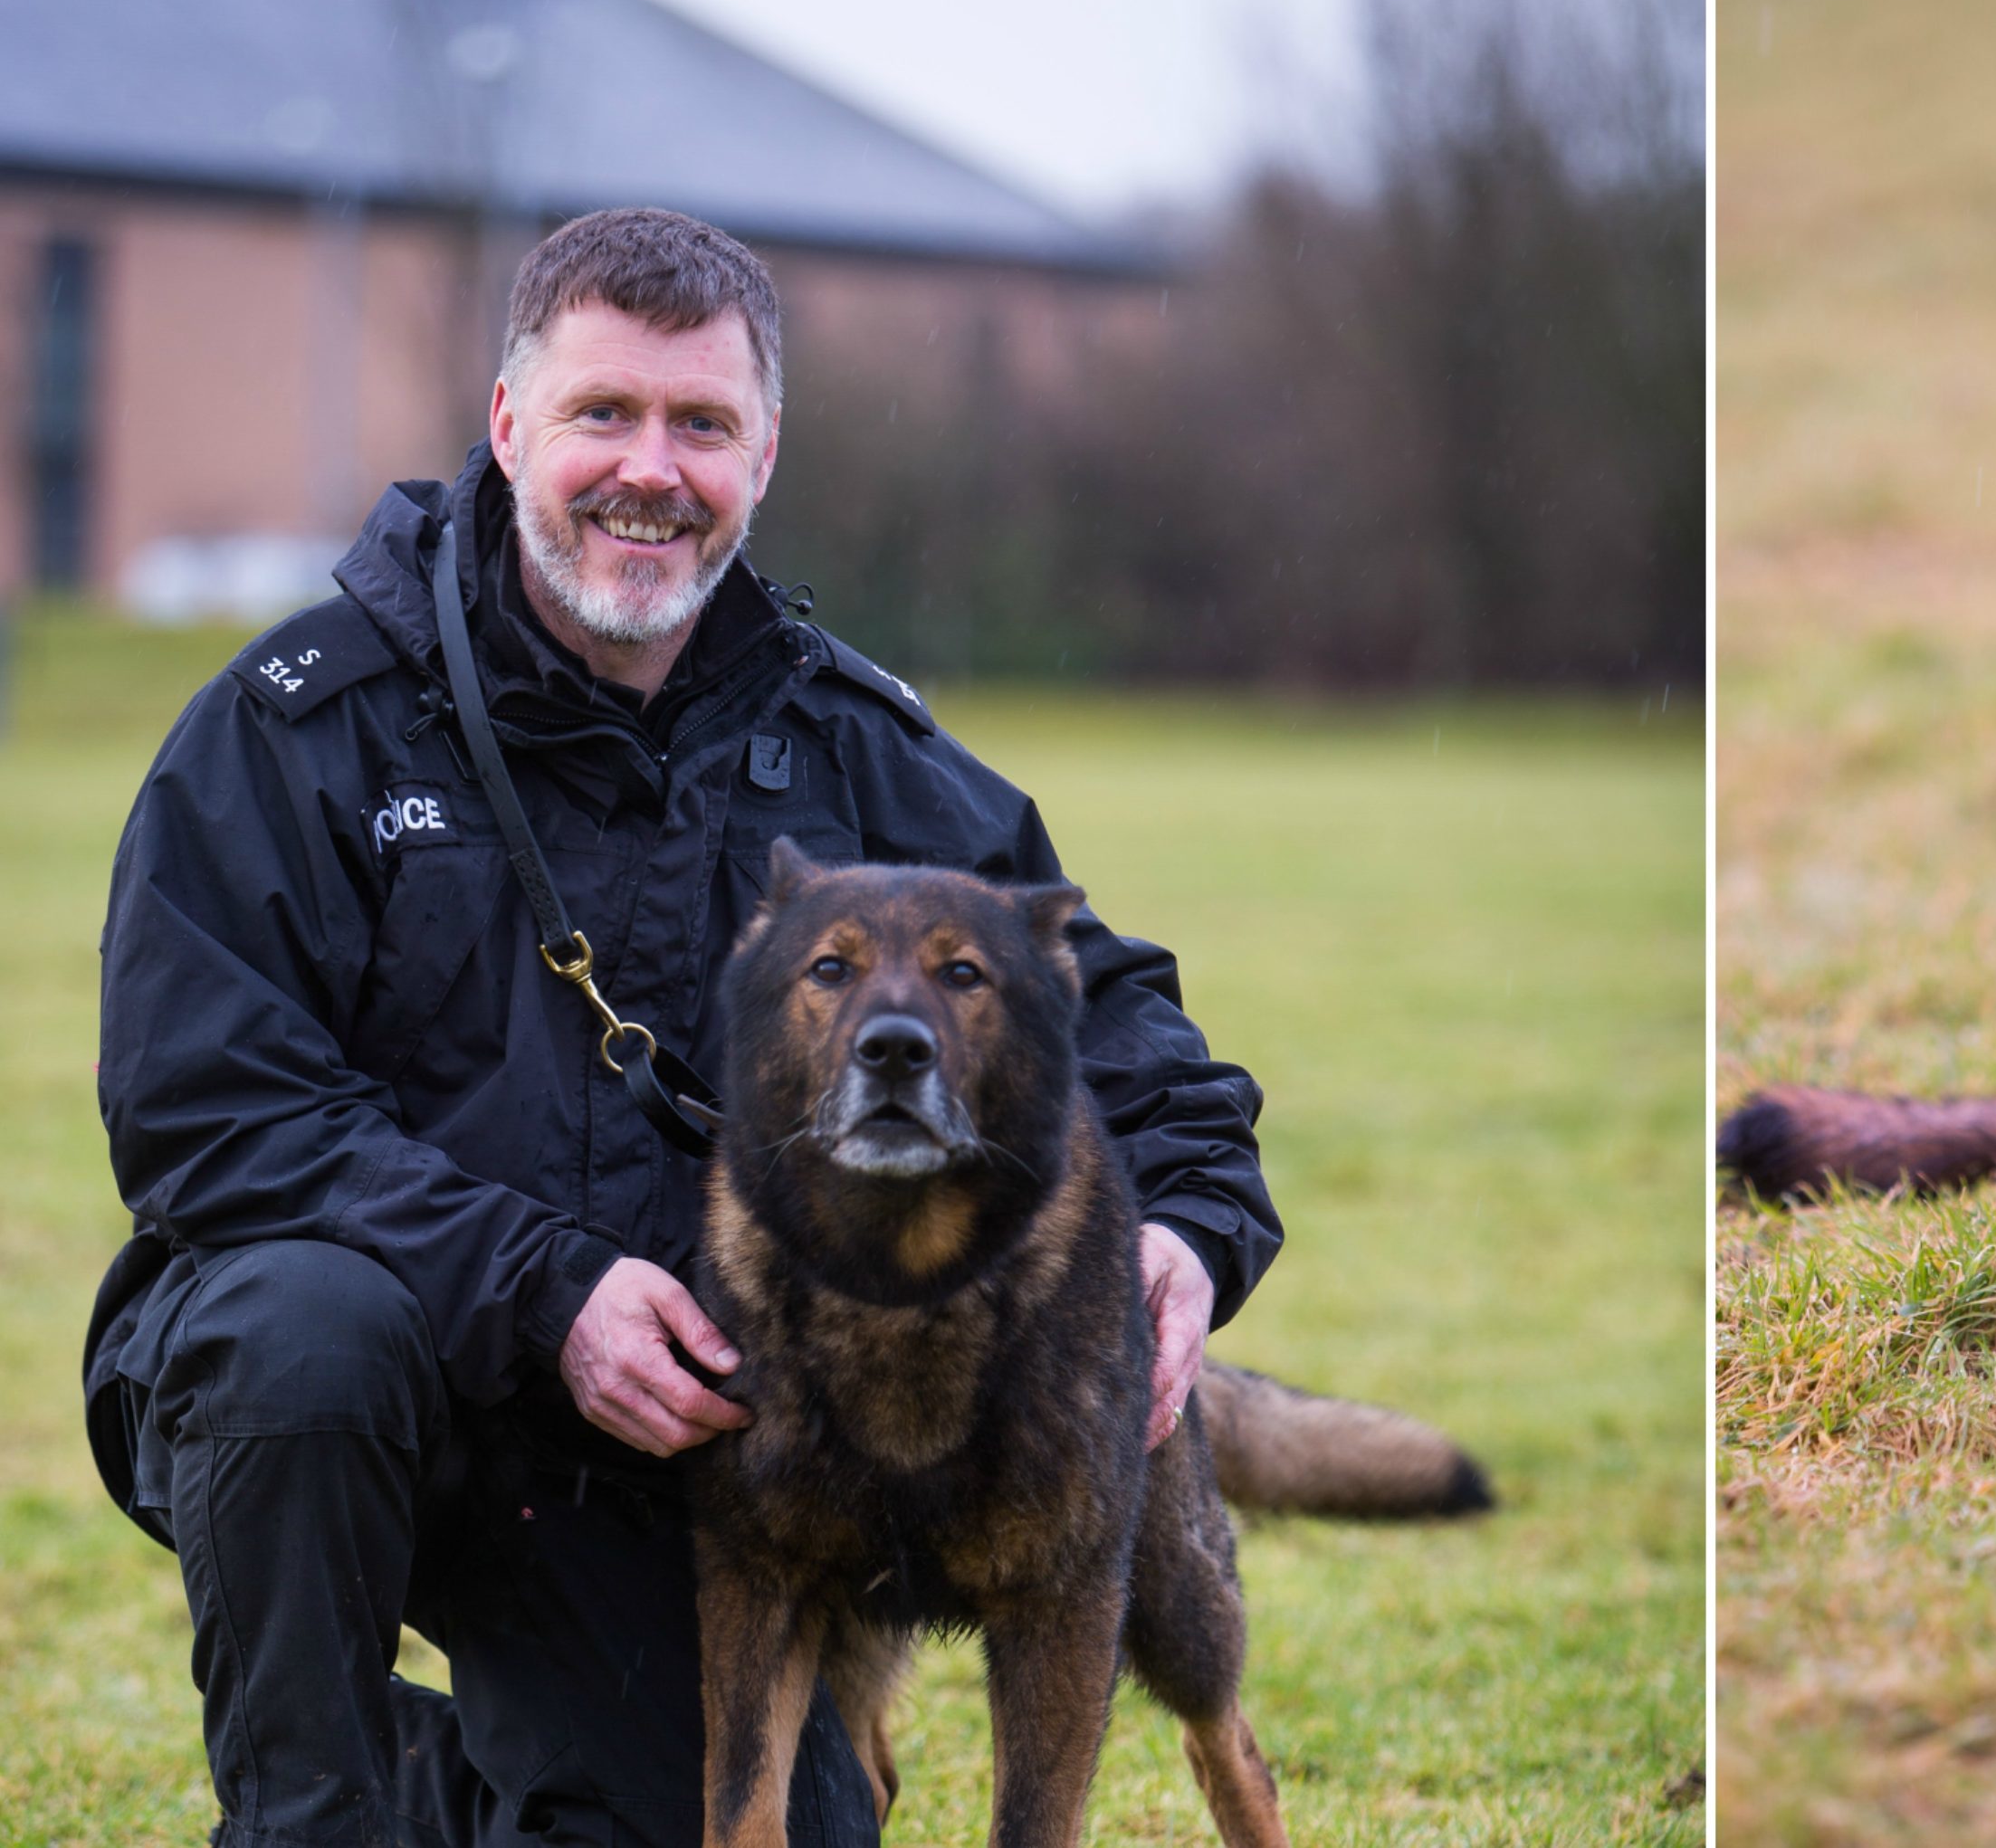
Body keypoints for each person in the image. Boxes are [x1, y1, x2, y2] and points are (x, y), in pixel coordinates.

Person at [83, 208, 1283, 1848]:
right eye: (602, 413)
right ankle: (313, 1814)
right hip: (349, 1391)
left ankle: (460, 1786)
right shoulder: (302, 726)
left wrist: (1196, 1228)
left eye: (701, 424)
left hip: (658, 1452)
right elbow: (208, 1105)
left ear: (763, 454)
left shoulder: (851, 747)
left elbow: (1107, 1008)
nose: (650, 468)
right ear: (509, 427)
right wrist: (545, 1285)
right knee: (305, 1330)